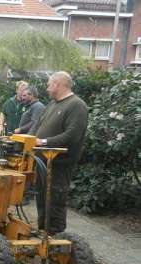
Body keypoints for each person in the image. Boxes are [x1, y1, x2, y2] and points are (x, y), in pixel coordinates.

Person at [29, 71, 88, 235]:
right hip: (42, 163)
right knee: (42, 200)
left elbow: (72, 135)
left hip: (59, 164)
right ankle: (43, 234)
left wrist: (43, 142)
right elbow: (37, 126)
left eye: (49, 85)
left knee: (55, 201)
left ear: (57, 84)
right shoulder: (52, 104)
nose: (47, 89)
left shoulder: (77, 105)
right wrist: (28, 139)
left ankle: (55, 240)